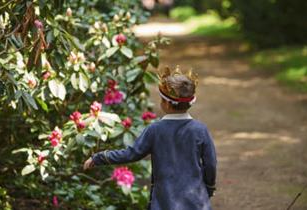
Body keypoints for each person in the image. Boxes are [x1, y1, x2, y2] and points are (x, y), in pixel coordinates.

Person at [83, 66, 217, 210]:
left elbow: (131, 154)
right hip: (196, 201)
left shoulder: (155, 130)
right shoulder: (200, 129)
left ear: (165, 103)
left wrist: (99, 157)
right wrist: (208, 187)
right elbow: (211, 164)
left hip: (164, 202)